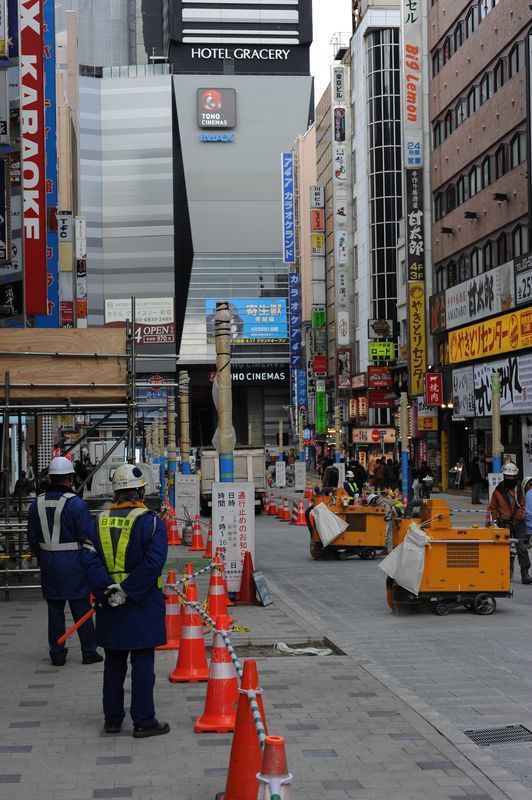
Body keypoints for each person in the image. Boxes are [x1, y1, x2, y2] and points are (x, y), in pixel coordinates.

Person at [81, 463, 170, 738]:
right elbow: (153, 564)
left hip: (109, 605)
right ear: (141, 491)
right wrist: (128, 590)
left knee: (113, 663)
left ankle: (112, 720)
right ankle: (144, 721)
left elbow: (88, 560)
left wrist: (107, 590)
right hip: (141, 604)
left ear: (116, 491)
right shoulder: (152, 522)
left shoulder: (98, 522)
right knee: (142, 663)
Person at [27, 456, 102, 667]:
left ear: (50, 477)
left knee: (55, 611)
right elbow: (87, 537)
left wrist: (41, 556)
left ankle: (57, 654)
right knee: (81, 608)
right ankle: (89, 651)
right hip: (74, 564)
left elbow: (32, 537)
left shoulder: (36, 504)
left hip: (49, 562)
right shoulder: (76, 504)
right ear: (69, 479)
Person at [489, 462, 532, 585]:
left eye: (512, 476)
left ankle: (525, 574)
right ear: (504, 475)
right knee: (502, 549)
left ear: (516, 475)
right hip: (504, 523)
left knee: (522, 549)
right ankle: (503, 573)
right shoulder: (498, 490)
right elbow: (493, 507)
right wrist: (496, 519)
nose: (510, 478)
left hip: (520, 523)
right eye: (507, 476)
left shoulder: (523, 489)